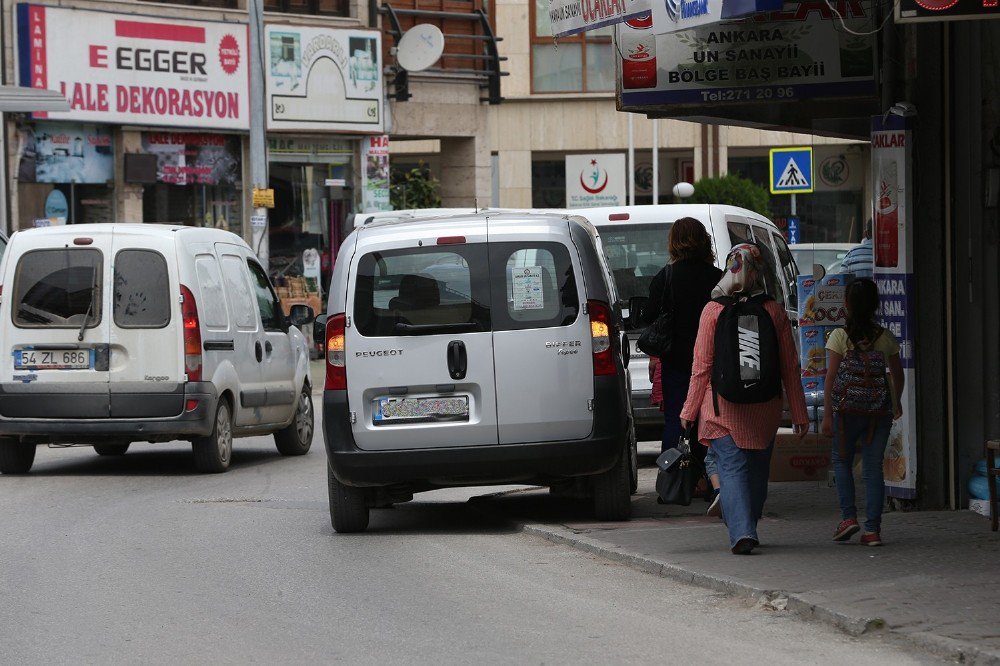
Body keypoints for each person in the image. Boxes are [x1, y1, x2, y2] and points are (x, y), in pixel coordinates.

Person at [680, 243, 809, 555]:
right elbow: (790, 366)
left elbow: (701, 367)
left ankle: (742, 531)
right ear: (758, 271)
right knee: (756, 471)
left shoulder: (712, 311)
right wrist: (800, 414)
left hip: (721, 409)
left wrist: (689, 410)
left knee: (733, 468)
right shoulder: (774, 311)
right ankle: (746, 524)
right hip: (764, 410)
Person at [821, 279, 904, 547]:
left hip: (846, 413)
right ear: (875, 305)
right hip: (878, 412)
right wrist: (896, 402)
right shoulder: (886, 338)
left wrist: (827, 415)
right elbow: (897, 375)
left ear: (846, 304)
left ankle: (848, 518)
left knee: (842, 462)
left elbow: (831, 378)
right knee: (872, 470)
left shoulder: (839, 337)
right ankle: (872, 531)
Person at [642, 218, 723, 459]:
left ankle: (674, 480)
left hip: (675, 359)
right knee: (710, 417)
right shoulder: (718, 277)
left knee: (677, 418)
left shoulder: (665, 277)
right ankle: (709, 477)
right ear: (703, 242)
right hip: (713, 360)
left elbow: (649, 315)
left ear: (674, 243)